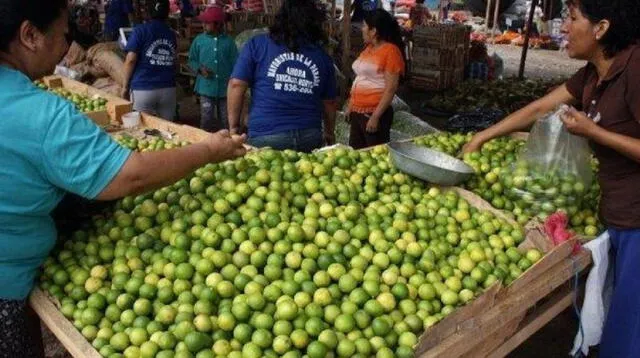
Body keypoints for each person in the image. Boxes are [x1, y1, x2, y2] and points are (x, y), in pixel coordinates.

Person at [0, 0, 246, 355]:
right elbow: (129, 176)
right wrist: (209, 150)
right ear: (30, 35)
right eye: (62, 35)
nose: (66, 46)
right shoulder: (39, 112)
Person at [462, 1, 640, 356]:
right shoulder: (593, 74)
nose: (562, 27)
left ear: (601, 28)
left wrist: (595, 133)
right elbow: (542, 107)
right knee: (617, 318)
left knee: (629, 332)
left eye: (572, 19)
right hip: (618, 214)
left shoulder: (635, 69)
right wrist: (484, 136)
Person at [227, 0, 337, 152]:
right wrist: (330, 133)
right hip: (309, 135)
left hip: (266, 135)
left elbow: (236, 85)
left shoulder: (258, 45)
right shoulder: (322, 56)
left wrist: (233, 127)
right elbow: (329, 102)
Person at [347, 9, 405, 149]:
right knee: (356, 153)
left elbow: (391, 88)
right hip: (358, 112)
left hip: (373, 113)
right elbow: (361, 78)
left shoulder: (390, 51)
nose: (362, 29)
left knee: (373, 155)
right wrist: (351, 105)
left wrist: (375, 117)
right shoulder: (368, 49)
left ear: (373, 31)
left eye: (364, 26)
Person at [122, 0, 178, 120]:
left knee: (143, 131)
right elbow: (174, 60)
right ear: (167, 13)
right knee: (167, 130)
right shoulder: (171, 34)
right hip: (168, 89)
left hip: (143, 88)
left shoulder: (140, 30)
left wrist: (125, 87)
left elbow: (130, 60)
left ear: (147, 12)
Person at [188, 6, 238, 132]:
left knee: (226, 119)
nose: (203, 25)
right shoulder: (199, 40)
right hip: (206, 88)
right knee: (206, 118)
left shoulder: (229, 42)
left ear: (218, 25)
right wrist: (199, 69)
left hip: (225, 89)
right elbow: (191, 60)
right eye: (203, 22)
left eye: (207, 22)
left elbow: (236, 64)